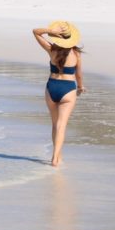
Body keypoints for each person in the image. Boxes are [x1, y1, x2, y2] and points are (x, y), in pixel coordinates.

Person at [32, 21, 86, 167]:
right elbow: (79, 75)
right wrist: (80, 87)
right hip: (68, 89)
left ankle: (56, 156)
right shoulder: (76, 54)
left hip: (51, 87)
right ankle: (56, 159)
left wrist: (51, 31)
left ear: (58, 38)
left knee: (55, 124)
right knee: (61, 125)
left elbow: (35, 31)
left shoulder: (51, 50)